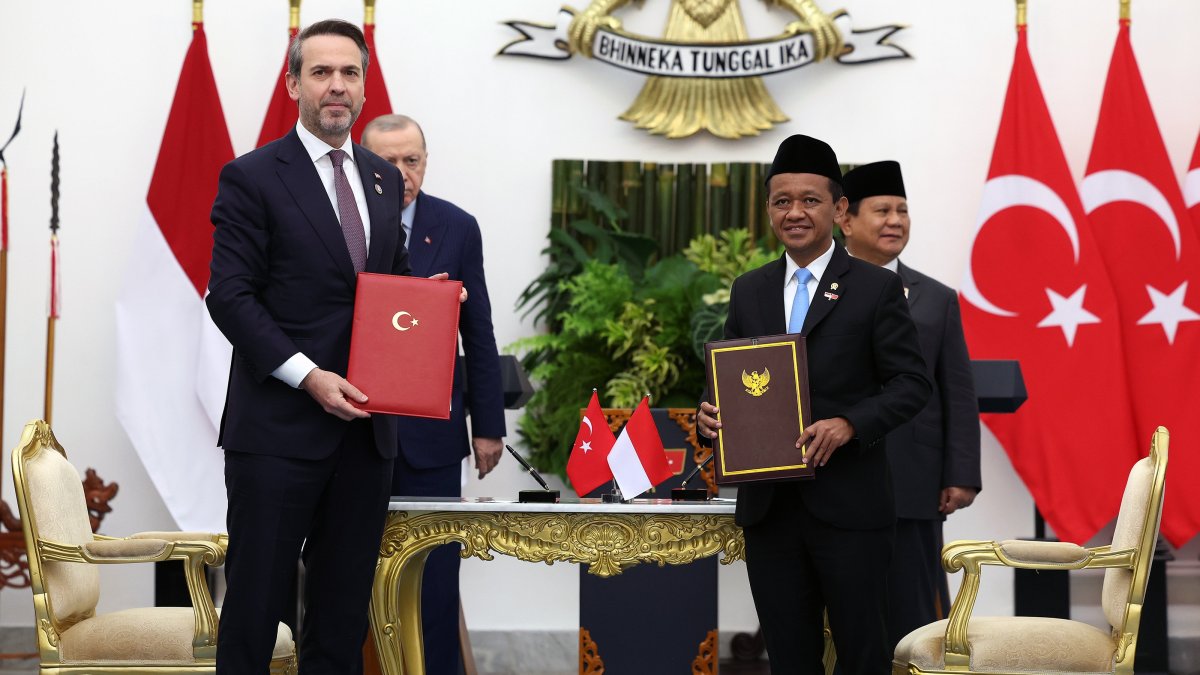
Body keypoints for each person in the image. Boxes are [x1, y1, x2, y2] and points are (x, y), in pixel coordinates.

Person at [207, 19, 460, 673]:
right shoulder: (252, 176)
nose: (337, 86)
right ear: (293, 84)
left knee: (342, 617)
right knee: (256, 610)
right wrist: (308, 375)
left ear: (363, 85)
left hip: (366, 437)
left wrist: (426, 305)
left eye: (349, 73)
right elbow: (229, 297)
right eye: (321, 72)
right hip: (277, 432)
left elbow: (387, 288)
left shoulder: (381, 180)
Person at [696, 135, 930, 674]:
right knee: (789, 657)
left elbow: (911, 383)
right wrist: (710, 412)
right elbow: (729, 376)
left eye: (810, 200)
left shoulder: (874, 288)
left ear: (839, 209)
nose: (794, 212)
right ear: (770, 209)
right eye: (782, 201)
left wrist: (851, 423)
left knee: (862, 653)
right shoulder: (749, 290)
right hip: (771, 511)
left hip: (850, 507)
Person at [362, 114, 506, 675]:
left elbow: (480, 331)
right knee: (349, 583)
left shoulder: (456, 226)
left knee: (437, 587)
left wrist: (487, 424)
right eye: (388, 162)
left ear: (426, 161)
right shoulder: (343, 222)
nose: (401, 173)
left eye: (412, 160)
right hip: (353, 429)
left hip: (434, 437)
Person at [839, 161, 981, 648]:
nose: (895, 220)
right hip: (838, 472)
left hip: (914, 479)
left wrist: (961, 472)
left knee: (914, 613)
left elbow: (957, 390)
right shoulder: (818, 291)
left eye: (902, 210)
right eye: (881, 210)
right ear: (846, 220)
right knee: (843, 613)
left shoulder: (936, 298)